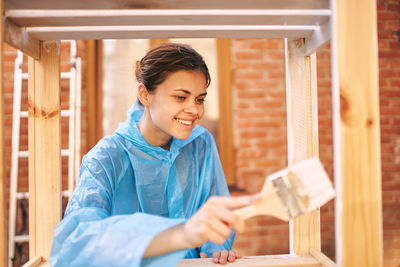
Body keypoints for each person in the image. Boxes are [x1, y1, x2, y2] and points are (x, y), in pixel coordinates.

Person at [50, 43, 258, 267]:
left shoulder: (201, 143)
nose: (194, 110)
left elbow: (215, 213)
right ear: (144, 95)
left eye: (199, 99)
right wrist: (181, 234)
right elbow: (76, 243)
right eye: (180, 97)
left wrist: (217, 251)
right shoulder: (105, 159)